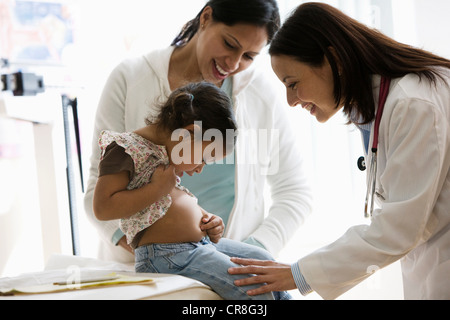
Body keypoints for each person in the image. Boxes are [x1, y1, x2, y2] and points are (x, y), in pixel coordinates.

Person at [229, 2, 450, 300]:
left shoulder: (413, 103)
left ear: (334, 60)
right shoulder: (380, 107)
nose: (290, 100)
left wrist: (297, 274)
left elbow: (398, 230)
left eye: (293, 83)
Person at [84, 0, 312, 264]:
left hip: (230, 266)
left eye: (249, 56)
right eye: (229, 43)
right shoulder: (130, 77)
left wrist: (251, 252)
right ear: (206, 17)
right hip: (144, 267)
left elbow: (295, 192)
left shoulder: (260, 94)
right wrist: (149, 251)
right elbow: (96, 190)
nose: (233, 63)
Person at [92, 82, 290, 300]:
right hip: (167, 255)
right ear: (187, 135)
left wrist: (208, 220)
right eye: (204, 159)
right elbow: (103, 208)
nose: (199, 168)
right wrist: (157, 189)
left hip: (198, 245)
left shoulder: (166, 155)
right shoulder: (124, 149)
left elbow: (168, 206)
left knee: (265, 262)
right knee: (253, 287)